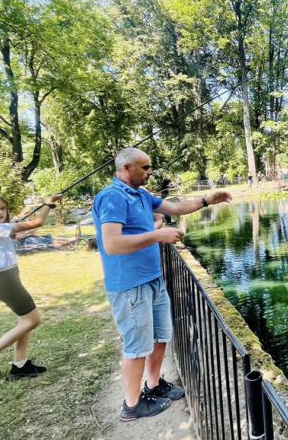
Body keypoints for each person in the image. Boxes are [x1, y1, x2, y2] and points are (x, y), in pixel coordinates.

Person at [93, 148, 232, 422]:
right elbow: (112, 243)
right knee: (136, 346)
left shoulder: (141, 194)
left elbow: (177, 208)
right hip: (129, 285)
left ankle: (154, 385)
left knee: (160, 336)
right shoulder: (112, 197)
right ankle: (132, 405)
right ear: (126, 168)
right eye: (145, 168)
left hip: (153, 279)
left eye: (150, 167)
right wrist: (157, 235)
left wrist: (207, 200)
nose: (150, 172)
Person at [0, 192, 63, 380]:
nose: (0, 212)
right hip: (4, 282)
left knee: (24, 322)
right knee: (32, 320)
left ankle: (20, 365)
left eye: (2, 208)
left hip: (7, 279)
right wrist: (48, 205)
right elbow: (37, 223)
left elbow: (17, 232)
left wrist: (17, 222)